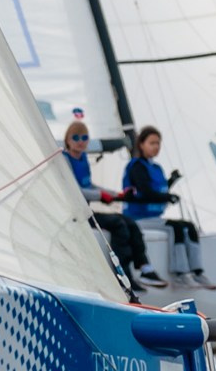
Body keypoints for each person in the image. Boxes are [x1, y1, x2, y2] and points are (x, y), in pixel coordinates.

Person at [59, 121, 154, 296]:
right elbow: (75, 189)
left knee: (130, 222)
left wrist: (116, 194)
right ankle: (122, 276)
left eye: (84, 137)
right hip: (75, 214)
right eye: (76, 137)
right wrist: (101, 196)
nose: (80, 141)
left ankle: (144, 268)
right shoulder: (64, 160)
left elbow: (90, 186)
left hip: (86, 211)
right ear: (68, 140)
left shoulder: (83, 158)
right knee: (118, 224)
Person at [120, 126, 216, 289]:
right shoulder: (137, 167)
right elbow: (145, 192)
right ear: (141, 144)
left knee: (189, 227)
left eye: (158, 143)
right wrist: (167, 197)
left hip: (154, 218)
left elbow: (159, 191)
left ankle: (197, 271)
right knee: (175, 228)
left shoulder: (156, 168)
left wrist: (171, 181)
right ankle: (180, 274)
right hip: (138, 218)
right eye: (152, 143)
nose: (156, 147)